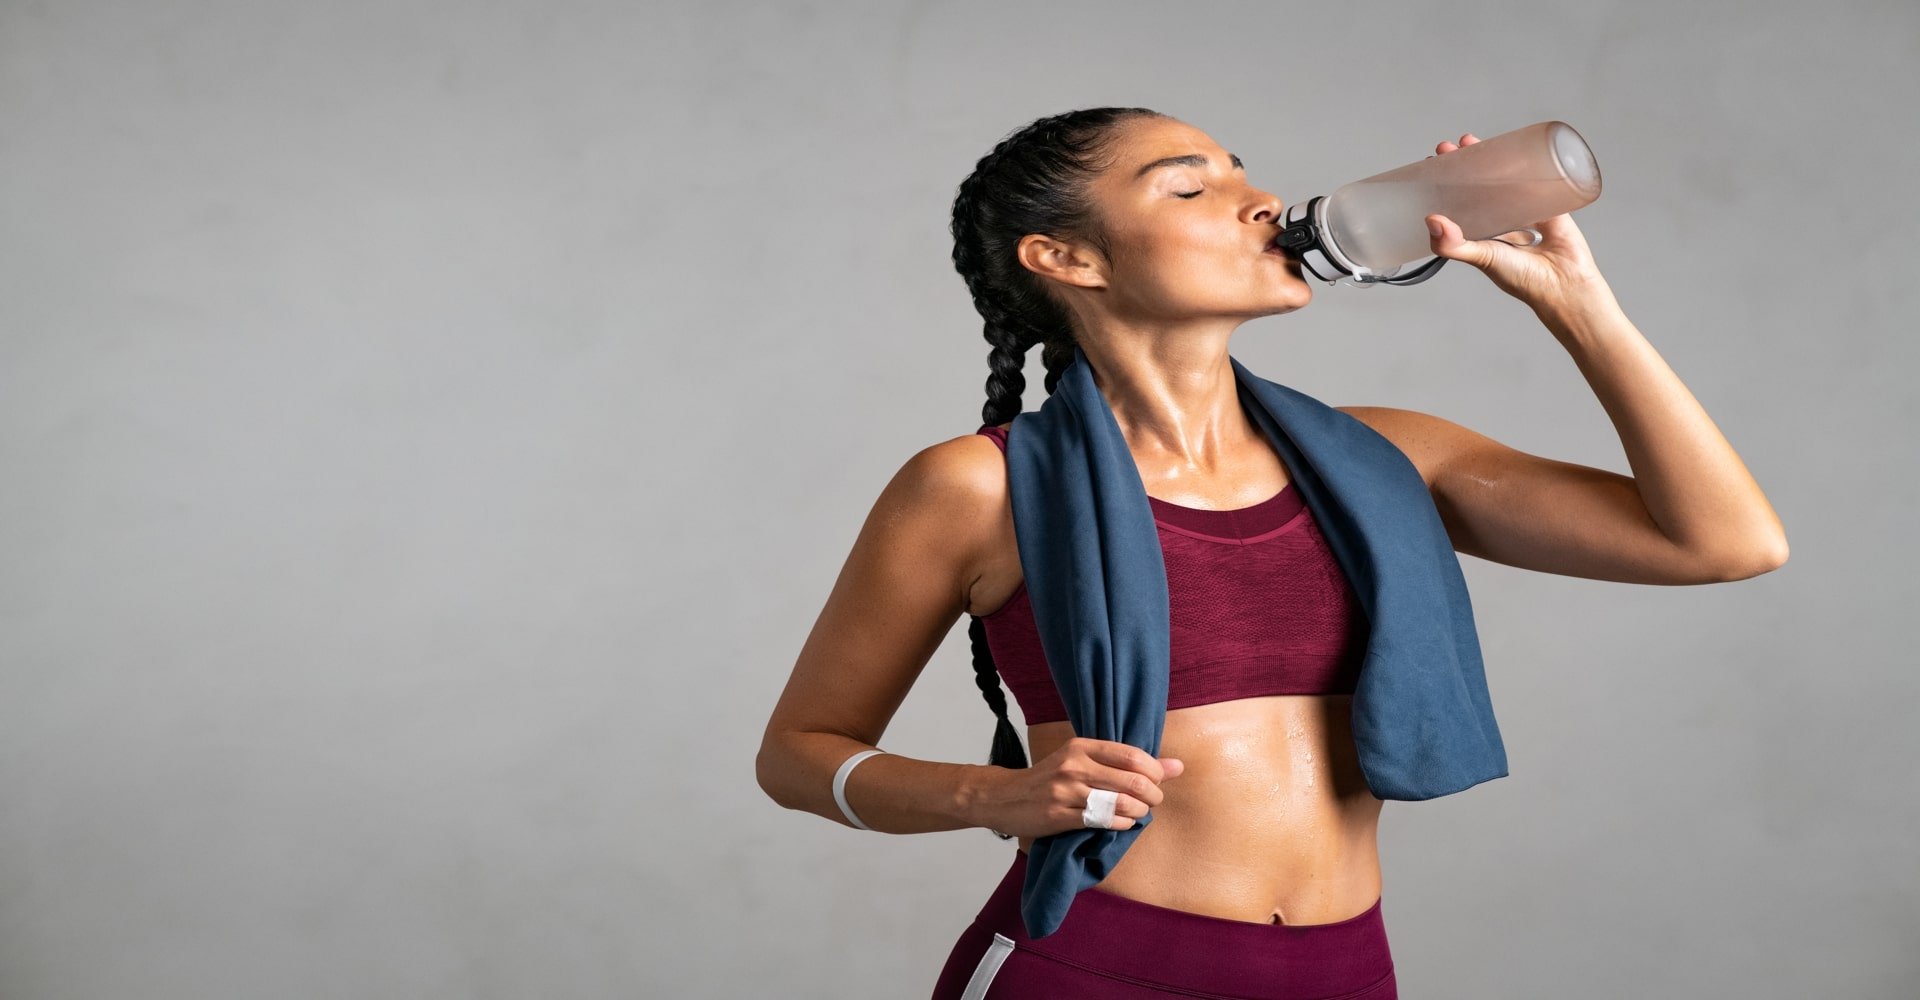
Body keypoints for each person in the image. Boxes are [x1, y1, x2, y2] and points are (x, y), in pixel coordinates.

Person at [755, 106, 1788, 999]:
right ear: (1068, 258)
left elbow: (1724, 541)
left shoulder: (1390, 458)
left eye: (1245, 173)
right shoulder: (980, 486)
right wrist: (995, 795)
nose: (1261, 202)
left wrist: (1579, 307)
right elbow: (799, 751)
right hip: (1093, 965)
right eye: (1191, 187)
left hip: (1346, 970)